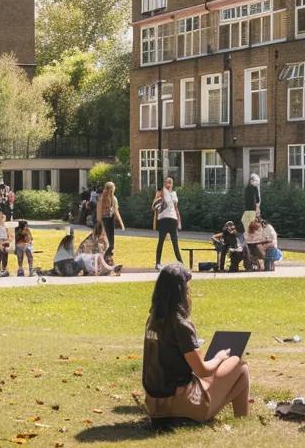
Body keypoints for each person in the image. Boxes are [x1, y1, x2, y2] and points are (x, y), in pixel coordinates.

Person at [142, 263, 250, 422]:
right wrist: (219, 357)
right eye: (188, 288)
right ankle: (242, 418)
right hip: (181, 406)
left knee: (212, 377)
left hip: (154, 405)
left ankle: (240, 416)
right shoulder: (181, 324)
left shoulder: (152, 320)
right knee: (239, 365)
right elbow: (203, 371)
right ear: (181, 291)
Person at [153, 176, 183, 268]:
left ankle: (180, 262)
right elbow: (154, 205)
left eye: (170, 182)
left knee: (175, 242)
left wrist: (179, 221)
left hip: (173, 219)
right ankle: (157, 263)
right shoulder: (161, 191)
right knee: (161, 241)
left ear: (172, 184)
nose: (168, 184)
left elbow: (176, 208)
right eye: (166, 182)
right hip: (163, 220)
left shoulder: (174, 193)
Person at [96, 181, 125, 264]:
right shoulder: (101, 199)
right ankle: (104, 258)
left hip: (110, 220)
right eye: (111, 188)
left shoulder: (114, 199)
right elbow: (99, 212)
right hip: (103, 221)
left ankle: (108, 258)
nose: (112, 190)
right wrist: (100, 224)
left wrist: (121, 223)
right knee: (104, 241)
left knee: (110, 241)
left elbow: (116, 211)